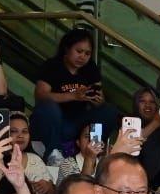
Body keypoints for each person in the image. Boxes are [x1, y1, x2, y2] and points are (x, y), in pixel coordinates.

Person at [30, 28, 116, 158]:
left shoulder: (90, 68)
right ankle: (54, 153)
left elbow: (100, 97)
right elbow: (41, 95)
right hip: (53, 121)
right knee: (49, 107)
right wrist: (73, 95)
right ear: (67, 48)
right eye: (79, 51)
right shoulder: (52, 66)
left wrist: (97, 100)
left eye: (87, 53)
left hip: (78, 121)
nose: (82, 57)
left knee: (108, 111)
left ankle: (94, 149)